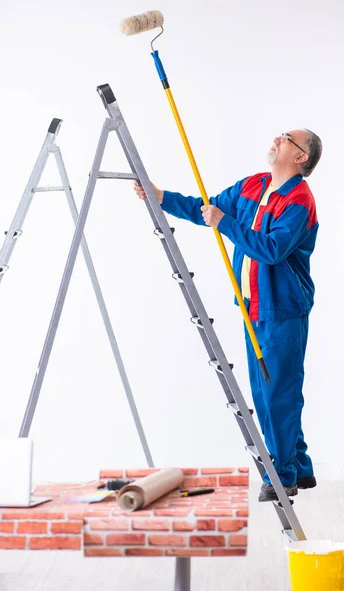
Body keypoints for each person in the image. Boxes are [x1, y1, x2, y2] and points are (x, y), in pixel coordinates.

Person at [134, 130, 322, 502]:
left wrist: (226, 223)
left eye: (287, 138)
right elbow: (207, 208)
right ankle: (299, 466)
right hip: (253, 307)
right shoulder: (253, 185)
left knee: (277, 395)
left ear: (301, 157)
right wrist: (160, 197)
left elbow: (271, 250)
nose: (277, 138)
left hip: (283, 312)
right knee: (270, 392)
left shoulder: (300, 200)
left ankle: (282, 476)